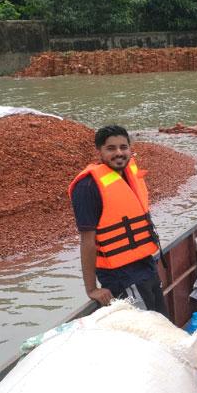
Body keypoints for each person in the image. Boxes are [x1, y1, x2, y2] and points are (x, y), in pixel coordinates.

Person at [68, 125, 166, 314]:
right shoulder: (88, 186)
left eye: (123, 147)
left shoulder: (129, 175)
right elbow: (87, 240)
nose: (119, 153)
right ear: (100, 151)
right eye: (111, 148)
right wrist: (91, 289)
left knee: (162, 321)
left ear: (130, 148)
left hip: (146, 264)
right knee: (145, 330)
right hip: (120, 275)